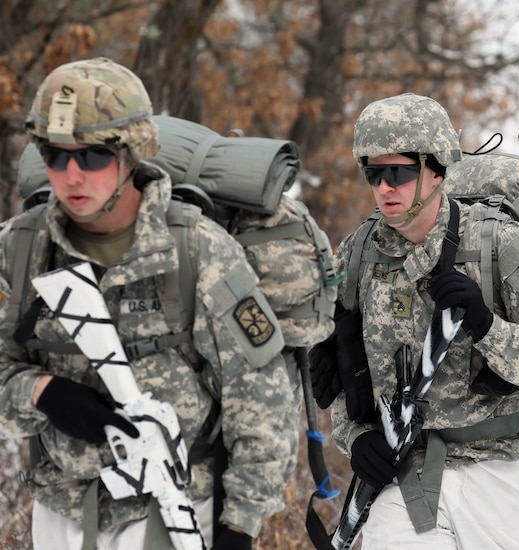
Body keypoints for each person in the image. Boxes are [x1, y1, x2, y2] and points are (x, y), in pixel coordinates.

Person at [0, 57, 298, 550]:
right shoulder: (19, 250)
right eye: (55, 156)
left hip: (173, 506)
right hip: (60, 512)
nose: (72, 176)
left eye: (92, 157)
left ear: (132, 153)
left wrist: (240, 525)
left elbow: (261, 399)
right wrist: (39, 393)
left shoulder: (198, 248)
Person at [310, 92, 519, 548]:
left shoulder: (499, 242)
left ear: (436, 170)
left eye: (398, 172)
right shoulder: (358, 254)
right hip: (405, 471)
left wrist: (487, 327)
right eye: (373, 173)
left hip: (500, 469)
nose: (384, 188)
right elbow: (341, 370)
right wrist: (356, 437)